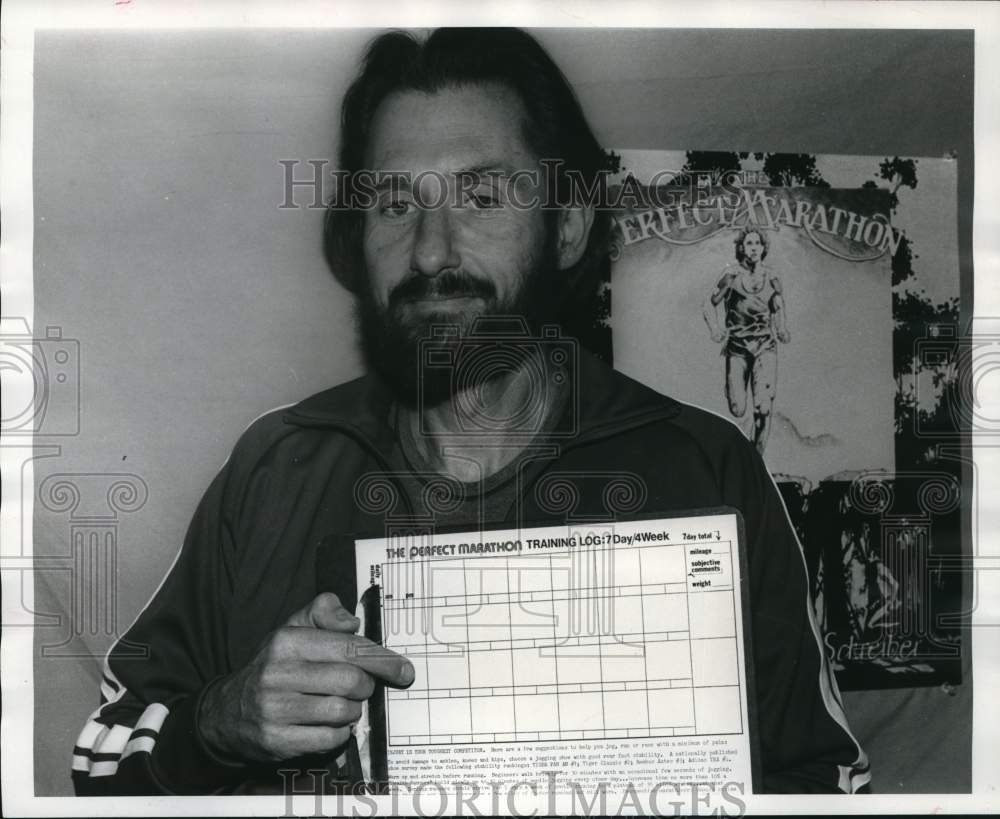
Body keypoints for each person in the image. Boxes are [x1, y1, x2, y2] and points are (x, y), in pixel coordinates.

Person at [71, 28, 869, 796]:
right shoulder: (275, 467)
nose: (428, 251)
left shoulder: (704, 466)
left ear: (568, 227)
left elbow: (829, 781)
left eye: (482, 195)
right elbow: (100, 763)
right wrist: (219, 722)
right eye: (392, 204)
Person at [702, 227, 791, 454]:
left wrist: (781, 327)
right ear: (742, 248)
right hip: (737, 349)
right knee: (738, 408)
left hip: (765, 346)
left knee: (764, 408)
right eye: (749, 244)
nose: (753, 248)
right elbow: (708, 304)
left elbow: (778, 305)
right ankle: (732, 388)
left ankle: (756, 460)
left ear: (763, 248)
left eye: (757, 244)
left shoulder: (772, 277)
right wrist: (714, 328)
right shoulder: (731, 276)